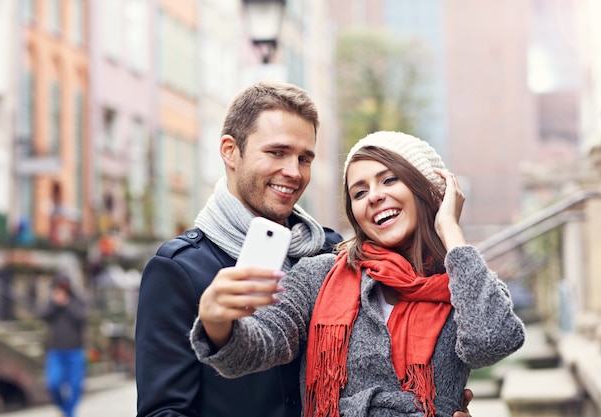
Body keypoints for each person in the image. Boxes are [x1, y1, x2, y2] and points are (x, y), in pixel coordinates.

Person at [191, 131, 525, 416]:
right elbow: (256, 348)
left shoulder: (467, 282)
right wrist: (217, 322)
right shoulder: (317, 276)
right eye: (359, 192)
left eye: (389, 179)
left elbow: (490, 343)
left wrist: (450, 229)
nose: (375, 196)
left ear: (429, 188)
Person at [134, 80, 344, 417]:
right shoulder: (179, 269)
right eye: (277, 152)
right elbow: (164, 411)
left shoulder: (331, 254)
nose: (293, 172)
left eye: (304, 158)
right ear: (230, 151)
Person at [39, 273, 87, 417]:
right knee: (53, 384)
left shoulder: (77, 301)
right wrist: (55, 303)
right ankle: (65, 410)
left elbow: (82, 318)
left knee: (76, 386)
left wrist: (66, 304)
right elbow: (42, 315)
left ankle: (70, 413)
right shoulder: (52, 302)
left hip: (75, 351)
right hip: (56, 352)